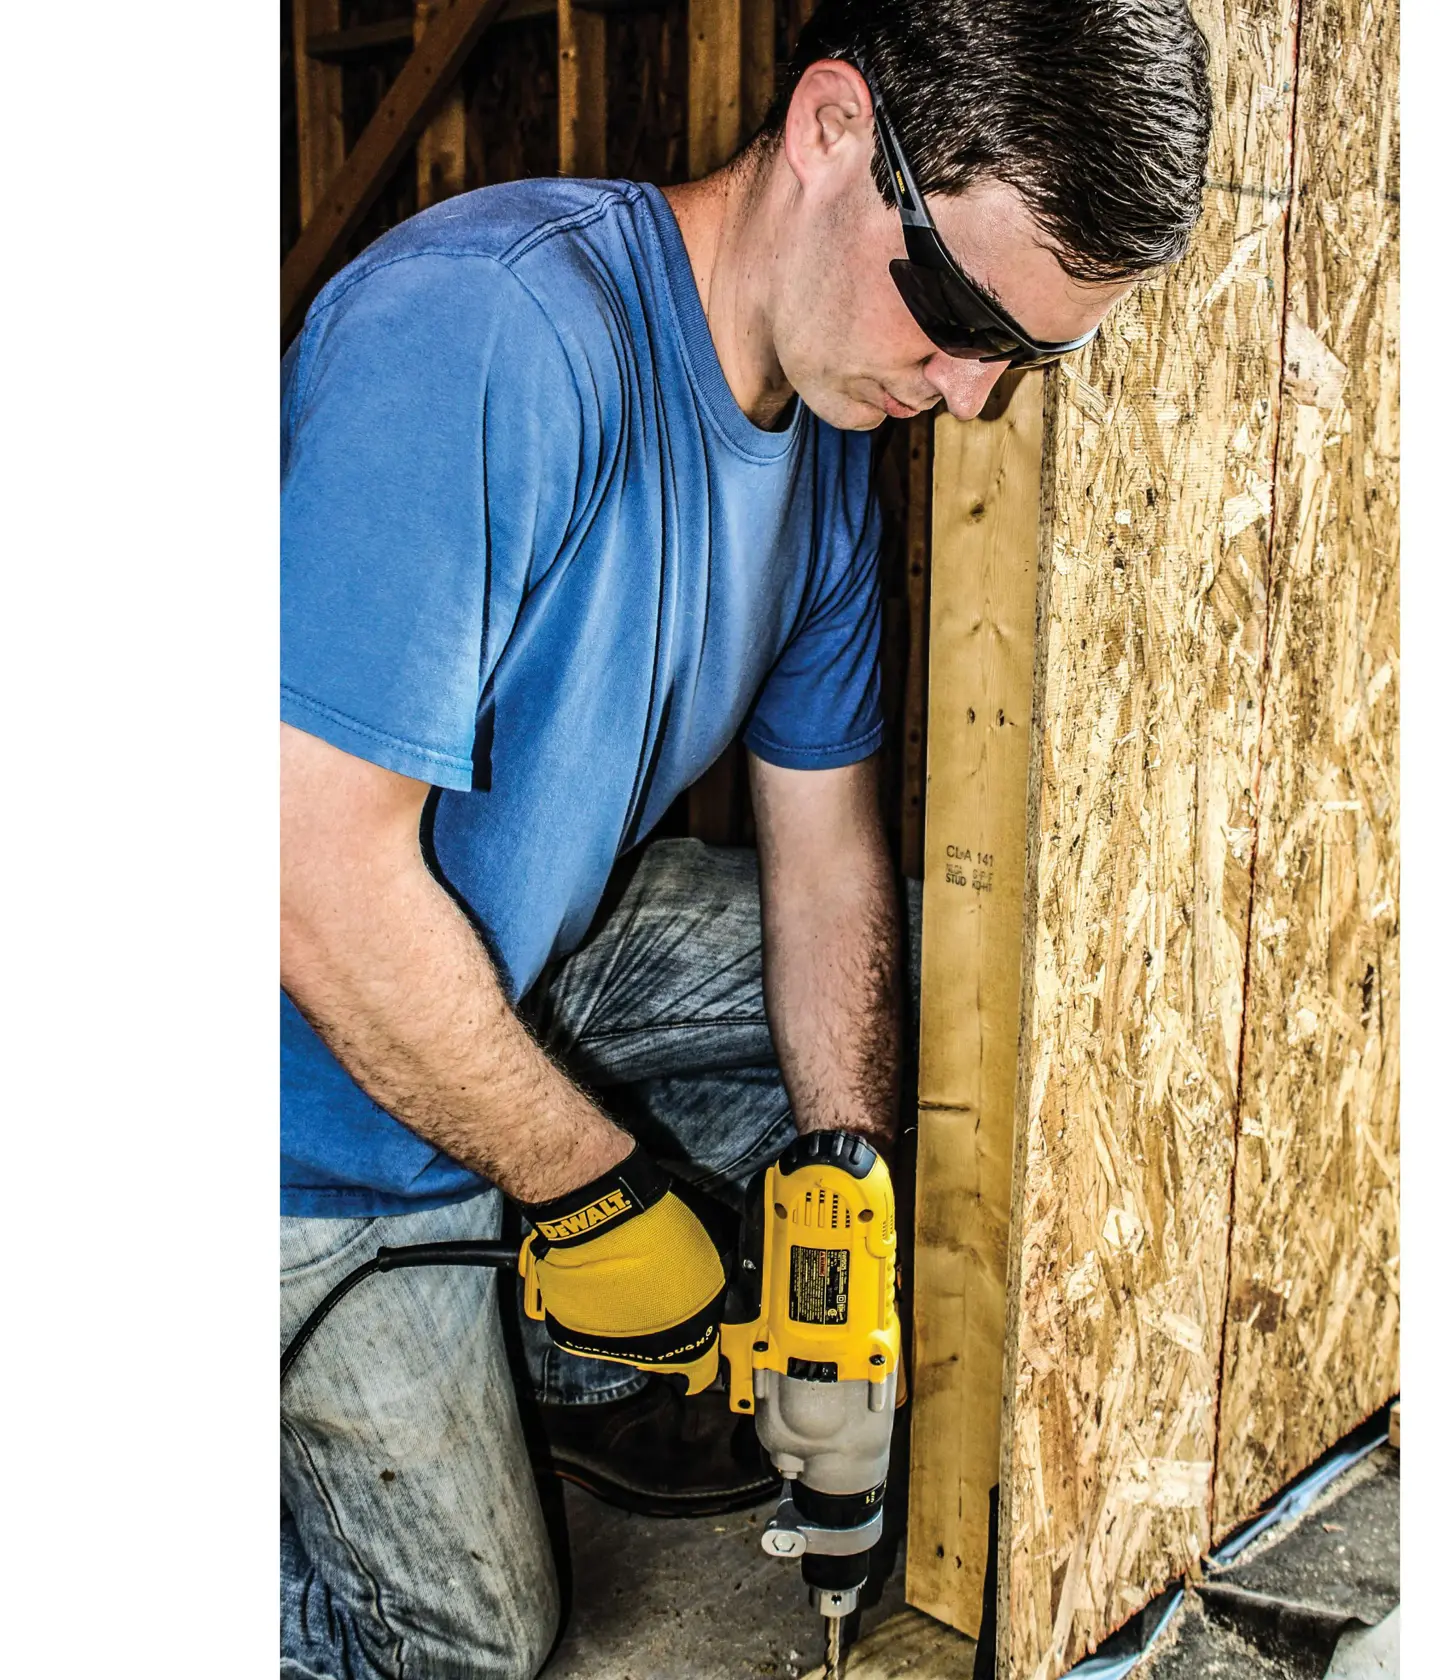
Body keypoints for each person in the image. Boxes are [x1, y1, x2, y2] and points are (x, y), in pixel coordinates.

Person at [278, 1, 1212, 1674]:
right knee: (469, 1644)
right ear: (834, 127)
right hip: (295, 1108)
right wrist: (594, 1191)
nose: (972, 400)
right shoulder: (489, 334)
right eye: (954, 316)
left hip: (534, 942)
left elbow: (830, 864)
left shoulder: (833, 443)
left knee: (961, 980)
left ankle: (566, 1343)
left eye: (1026, 358)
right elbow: (299, 863)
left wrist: (842, 1195)